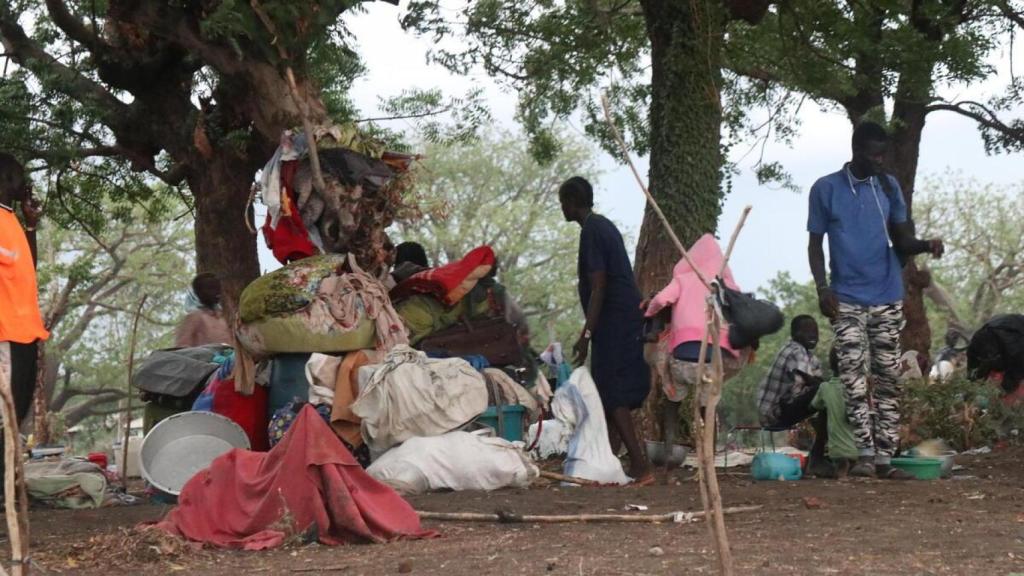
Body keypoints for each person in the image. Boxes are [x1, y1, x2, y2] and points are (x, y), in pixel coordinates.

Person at [808, 121, 945, 479]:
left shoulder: (887, 186)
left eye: (883, 154)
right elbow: (814, 245)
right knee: (852, 374)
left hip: (886, 294)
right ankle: (865, 454)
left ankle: (885, 458)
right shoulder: (826, 189)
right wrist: (823, 289)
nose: (880, 161)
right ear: (856, 152)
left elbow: (901, 241)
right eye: (874, 155)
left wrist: (925, 245)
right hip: (847, 296)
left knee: (888, 376)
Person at [558, 176, 652, 484]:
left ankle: (640, 465)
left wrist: (586, 334)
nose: (562, 208)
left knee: (612, 392)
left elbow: (599, 285)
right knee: (609, 389)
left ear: (572, 201)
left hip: (614, 320)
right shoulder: (602, 226)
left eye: (563, 202)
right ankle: (608, 462)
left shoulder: (593, 231)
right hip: (620, 318)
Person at [642, 234, 753, 453]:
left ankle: (667, 455)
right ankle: (709, 456)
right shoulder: (728, 286)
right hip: (715, 363)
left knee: (672, 400)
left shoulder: (683, 280)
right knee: (708, 407)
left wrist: (649, 311)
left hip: (682, 361)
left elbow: (661, 300)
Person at [0, 153, 49, 484]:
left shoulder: (10, 219)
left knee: (14, 416)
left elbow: (26, 266)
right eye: (19, 175)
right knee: (4, 418)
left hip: (24, 333)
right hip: (4, 335)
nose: (25, 182)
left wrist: (31, 224)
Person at [756, 315, 831, 476]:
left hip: (786, 407)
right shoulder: (795, 350)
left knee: (827, 395)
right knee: (828, 394)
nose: (813, 335)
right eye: (807, 331)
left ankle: (820, 455)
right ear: (795, 334)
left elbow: (815, 380)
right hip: (775, 413)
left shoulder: (810, 356)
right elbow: (810, 383)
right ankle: (817, 459)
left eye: (815, 331)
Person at [175, 273, 232, 347]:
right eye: (211, 288)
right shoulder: (194, 317)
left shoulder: (223, 317)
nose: (217, 292)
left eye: (218, 288)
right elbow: (182, 348)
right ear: (198, 293)